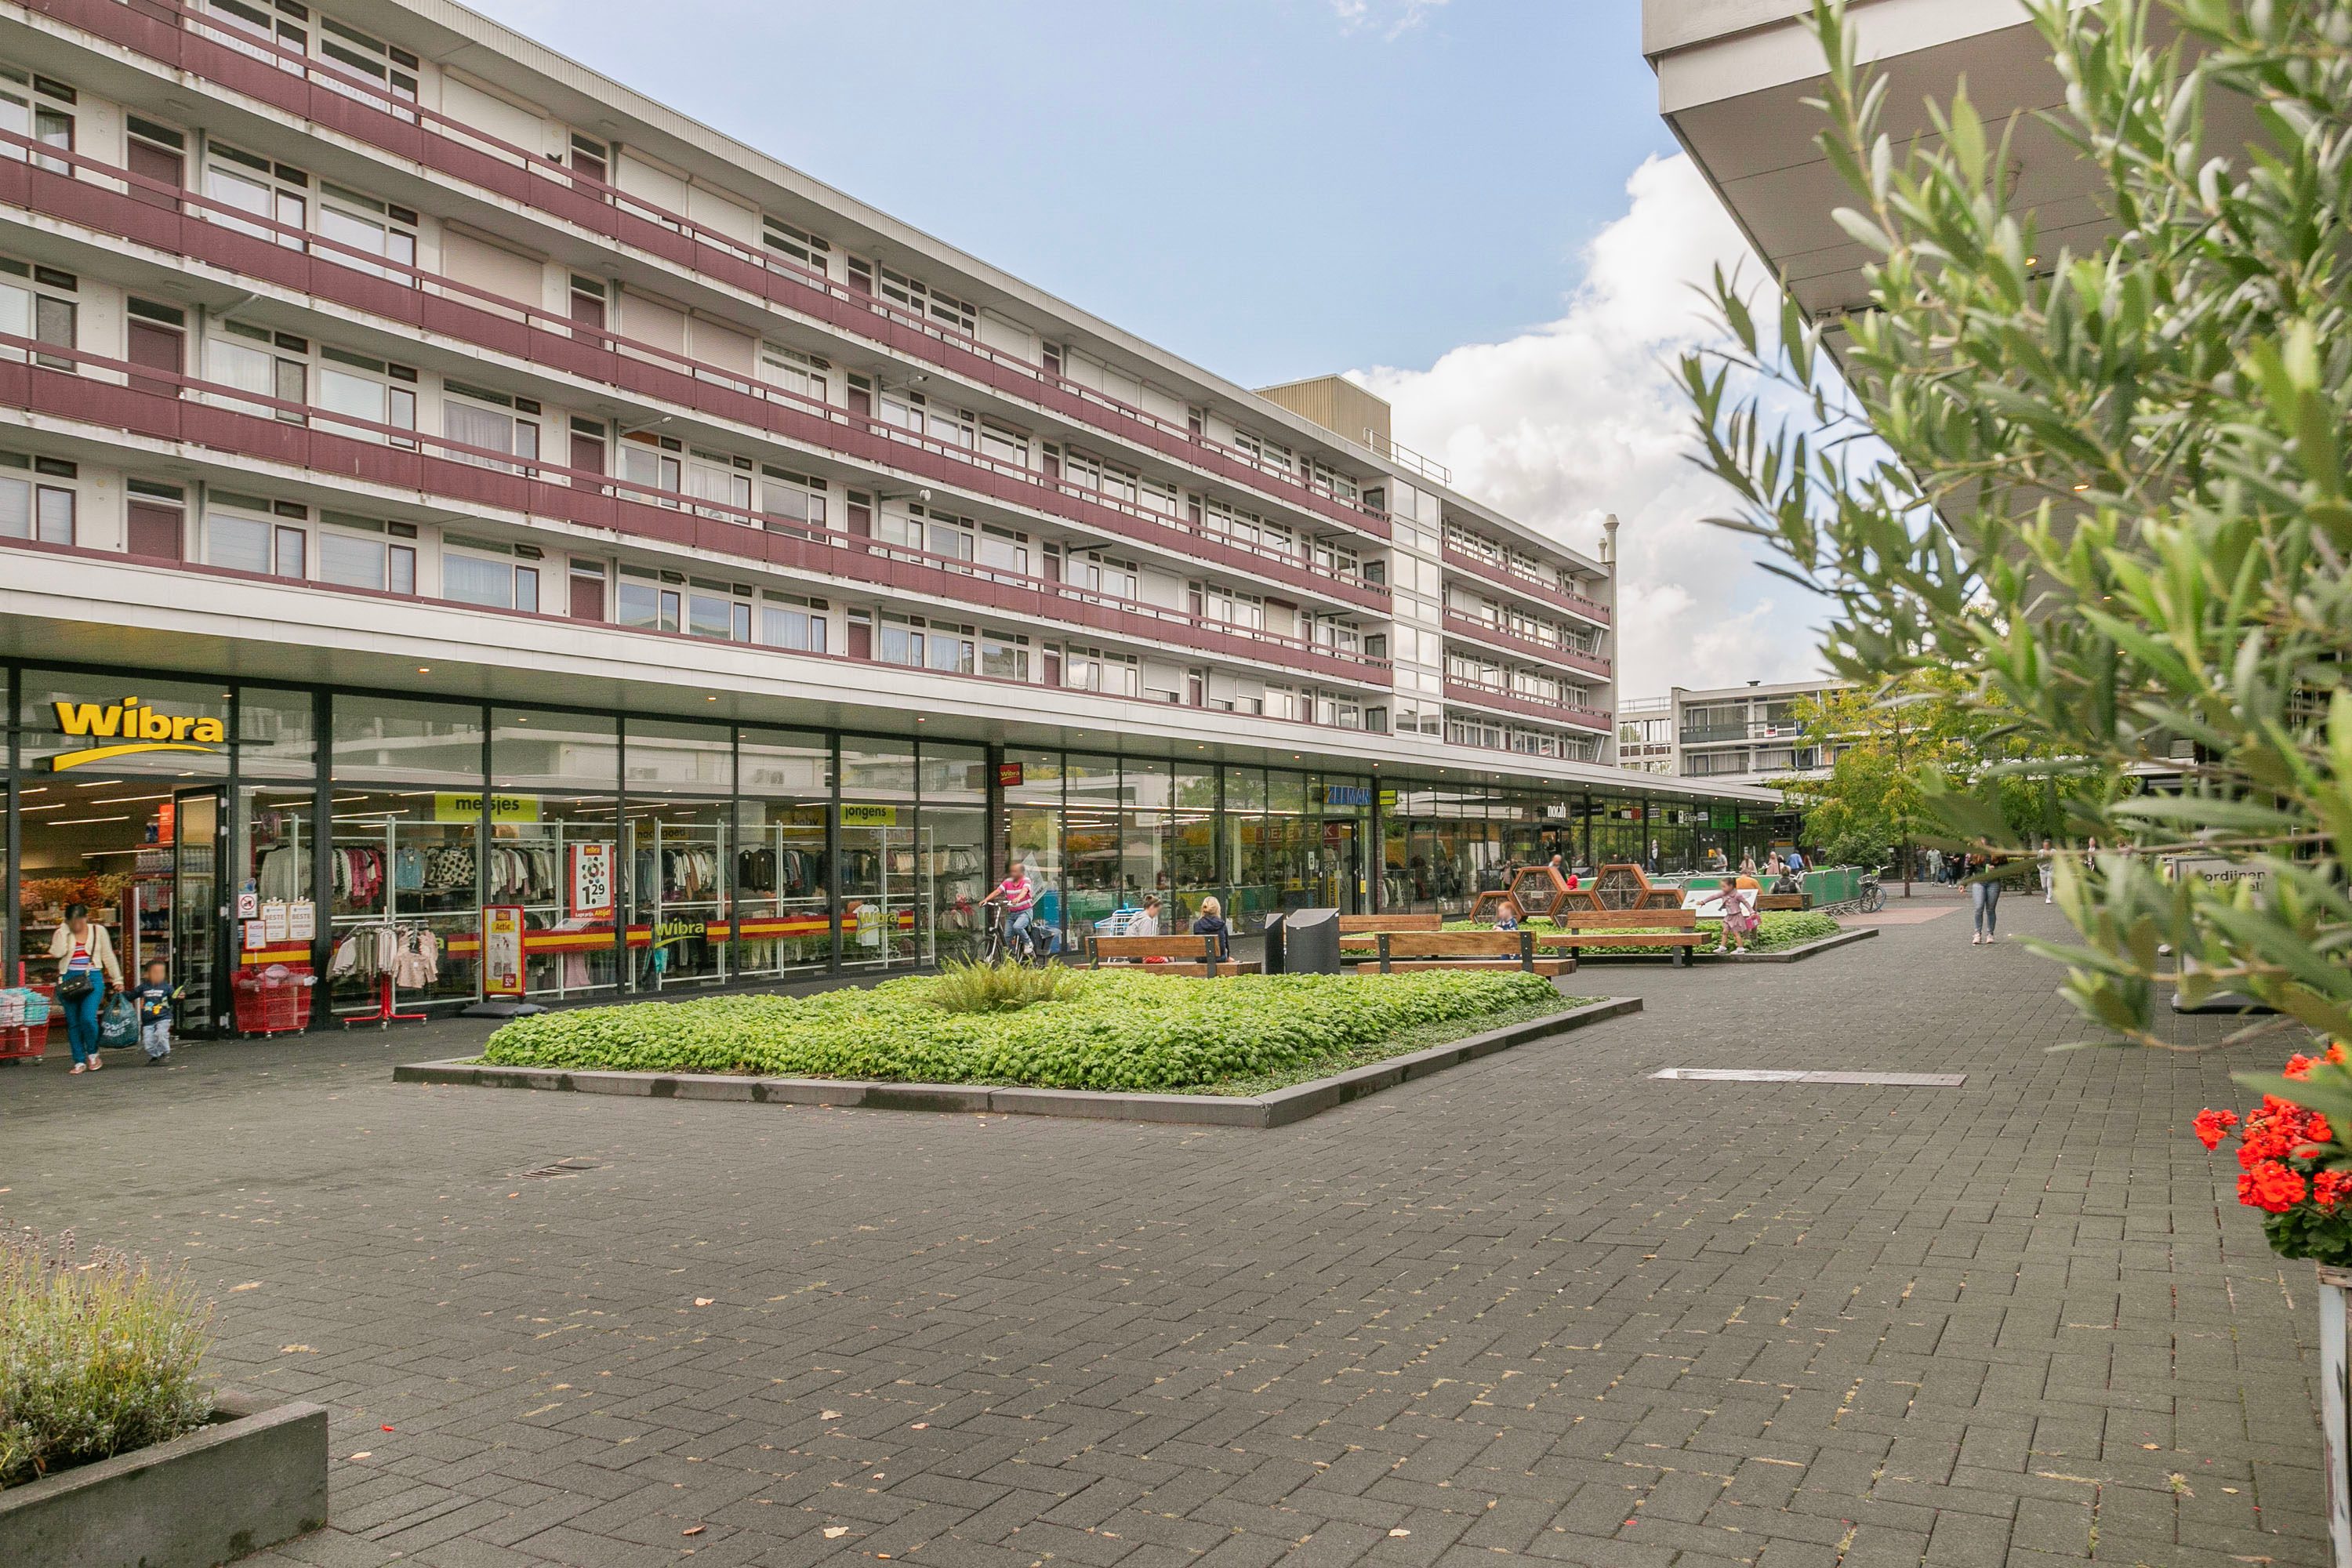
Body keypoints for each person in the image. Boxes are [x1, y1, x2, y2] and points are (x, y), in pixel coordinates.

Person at [49, 902, 122, 1075]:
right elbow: (57, 953)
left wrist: (117, 979)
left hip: (92, 977)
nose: (77, 924)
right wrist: (64, 931)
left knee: (88, 1018)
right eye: (72, 920)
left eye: (80, 919)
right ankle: (79, 1060)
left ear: (86, 918)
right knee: (73, 1022)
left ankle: (93, 1053)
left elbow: (108, 955)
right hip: (68, 979)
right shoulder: (62, 932)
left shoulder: (98, 931)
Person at [132, 958, 181, 1065]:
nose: (158, 975)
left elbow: (172, 1001)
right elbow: (132, 995)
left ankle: (165, 1053)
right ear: (146, 974)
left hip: (163, 1017)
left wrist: (178, 998)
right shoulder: (144, 987)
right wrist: (122, 994)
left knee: (161, 1035)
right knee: (148, 1041)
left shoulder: (167, 987)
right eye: (155, 972)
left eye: (161, 972)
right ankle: (155, 1055)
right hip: (148, 1020)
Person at [982, 866, 1038, 957]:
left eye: (1015, 872)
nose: (1012, 874)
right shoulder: (1007, 882)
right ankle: (1013, 956)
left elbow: (1024, 891)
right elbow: (997, 891)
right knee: (1006, 937)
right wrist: (986, 900)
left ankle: (1028, 943)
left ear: (1021, 873)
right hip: (1012, 914)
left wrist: (1018, 898)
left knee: (1017, 927)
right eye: (1012, 872)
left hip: (1024, 912)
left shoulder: (1026, 880)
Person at [1967, 850, 2003, 944]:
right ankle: (1977, 933)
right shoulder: (1975, 852)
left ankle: (1990, 934)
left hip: (1994, 882)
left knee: (1991, 909)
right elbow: (1969, 868)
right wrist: (1964, 883)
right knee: (1979, 907)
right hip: (1979, 881)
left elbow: (2006, 867)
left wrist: (1996, 869)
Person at [1717, 876, 1759, 953]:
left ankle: (1740, 948)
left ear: (1731, 886)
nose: (1722, 888)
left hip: (1736, 916)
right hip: (1729, 916)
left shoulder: (1737, 895)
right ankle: (1723, 947)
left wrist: (1752, 911)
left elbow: (1746, 903)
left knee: (1736, 933)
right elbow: (1713, 896)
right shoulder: (1724, 894)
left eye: (1724, 886)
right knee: (1725, 931)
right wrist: (1704, 902)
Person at [1191, 895, 1232, 965]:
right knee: (1230, 959)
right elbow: (1226, 946)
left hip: (1202, 959)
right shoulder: (1222, 924)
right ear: (1217, 909)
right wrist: (1227, 957)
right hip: (1219, 959)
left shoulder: (1197, 925)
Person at [2038, 837, 2056, 904]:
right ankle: (2047, 895)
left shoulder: (2053, 851)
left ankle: (2049, 898)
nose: (2045, 846)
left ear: (2049, 845)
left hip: (2051, 869)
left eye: (2046, 845)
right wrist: (2039, 867)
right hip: (2043, 870)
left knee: (2049, 884)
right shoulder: (2041, 852)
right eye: (2044, 845)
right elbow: (2038, 860)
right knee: (2044, 886)